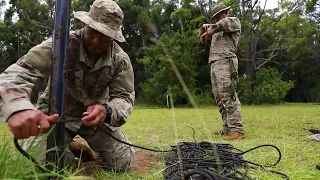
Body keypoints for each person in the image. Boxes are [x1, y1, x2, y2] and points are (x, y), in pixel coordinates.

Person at [0, 0, 135, 171]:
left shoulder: (120, 60)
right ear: (85, 24)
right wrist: (18, 106)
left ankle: (70, 150)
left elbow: (124, 97)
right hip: (56, 117)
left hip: (94, 121)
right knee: (37, 164)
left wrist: (107, 110)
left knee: (122, 163)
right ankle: (71, 151)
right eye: (93, 31)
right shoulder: (60, 44)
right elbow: (19, 72)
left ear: (114, 37)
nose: (95, 40)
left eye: (104, 36)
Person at [198, 3, 245, 140]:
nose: (220, 16)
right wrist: (203, 29)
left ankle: (237, 129)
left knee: (228, 95)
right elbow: (203, 39)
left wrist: (211, 27)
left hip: (226, 61)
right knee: (219, 97)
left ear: (226, 12)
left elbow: (223, 23)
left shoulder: (232, 22)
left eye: (221, 13)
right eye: (217, 15)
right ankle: (227, 128)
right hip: (215, 63)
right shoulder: (216, 30)